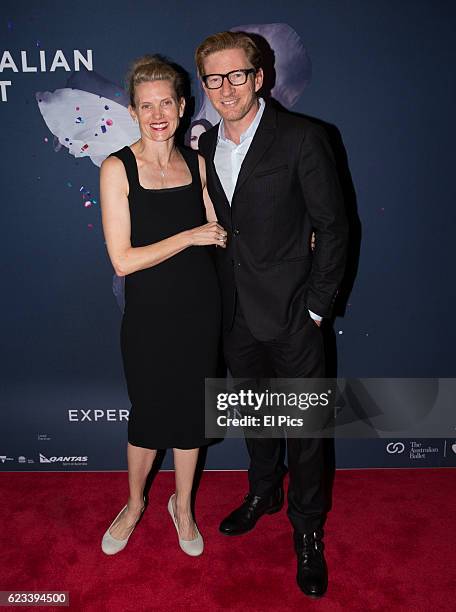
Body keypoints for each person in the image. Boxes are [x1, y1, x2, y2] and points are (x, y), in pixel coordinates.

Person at [195, 32, 348, 597]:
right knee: (256, 416)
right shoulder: (206, 145)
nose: (226, 88)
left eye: (237, 75)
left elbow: (334, 228)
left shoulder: (303, 138)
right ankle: (263, 491)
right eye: (215, 79)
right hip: (235, 313)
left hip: (292, 315)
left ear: (260, 77)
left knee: (306, 430)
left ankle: (308, 531)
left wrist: (315, 308)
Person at [99, 55, 225, 557]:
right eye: (146, 105)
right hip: (150, 317)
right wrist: (190, 234)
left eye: (166, 103)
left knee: (194, 416)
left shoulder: (196, 164)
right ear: (132, 111)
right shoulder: (117, 168)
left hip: (201, 311)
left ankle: (183, 506)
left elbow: (220, 234)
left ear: (181, 106)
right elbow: (124, 260)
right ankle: (133, 505)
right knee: (149, 416)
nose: (157, 113)